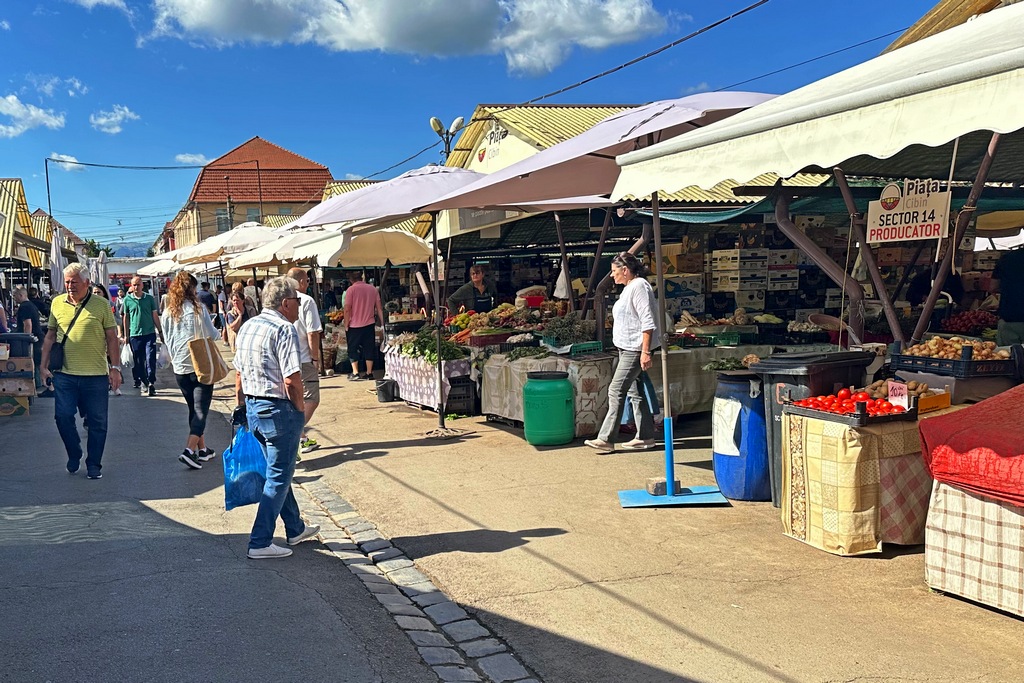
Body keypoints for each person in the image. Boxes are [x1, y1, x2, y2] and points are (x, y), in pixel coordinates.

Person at [232, 276, 320, 559]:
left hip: (254, 407)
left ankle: (295, 528)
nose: (299, 305)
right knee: (279, 476)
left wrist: (241, 405)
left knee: (276, 472)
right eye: (296, 300)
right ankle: (259, 541)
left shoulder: (248, 326)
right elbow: (292, 378)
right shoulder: (285, 329)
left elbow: (239, 375)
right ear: (285, 303)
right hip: (278, 408)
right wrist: (297, 409)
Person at [40, 262, 122, 479]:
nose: (69, 286)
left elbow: (112, 338)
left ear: (87, 283)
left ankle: (94, 464)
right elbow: (50, 336)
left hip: (95, 376)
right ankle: (74, 451)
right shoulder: (57, 303)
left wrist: (115, 368)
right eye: (67, 282)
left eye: (74, 282)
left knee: (98, 422)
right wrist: (43, 365)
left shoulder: (101, 305)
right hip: (65, 375)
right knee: (63, 417)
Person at [585, 252, 661, 453]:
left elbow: (647, 321)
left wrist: (645, 351)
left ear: (625, 270)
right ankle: (645, 436)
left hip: (634, 350)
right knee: (635, 393)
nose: (612, 276)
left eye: (614, 271)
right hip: (627, 348)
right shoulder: (631, 287)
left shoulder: (638, 287)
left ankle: (606, 438)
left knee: (616, 390)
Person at [161, 272, 220, 470]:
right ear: (192, 289)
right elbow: (212, 334)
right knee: (201, 411)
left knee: (193, 409)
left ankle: (202, 450)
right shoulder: (199, 309)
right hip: (199, 364)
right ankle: (188, 451)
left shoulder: (168, 312)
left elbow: (167, 339)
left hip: (179, 367)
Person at [287, 267, 324, 455]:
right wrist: (315, 357)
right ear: (302, 282)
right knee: (312, 398)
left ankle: (301, 438)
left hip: (287, 358)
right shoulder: (306, 300)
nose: (308, 284)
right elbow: (312, 332)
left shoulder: (282, 300)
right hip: (303, 357)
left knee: (296, 399)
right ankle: (294, 434)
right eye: (308, 281)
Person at [122, 275, 163, 396]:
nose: (136, 287)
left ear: (142, 285)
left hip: (149, 333)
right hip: (135, 335)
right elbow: (126, 318)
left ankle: (151, 382)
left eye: (138, 284)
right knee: (139, 362)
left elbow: (154, 315)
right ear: (131, 286)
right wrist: (126, 335)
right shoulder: (127, 300)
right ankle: (144, 381)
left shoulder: (149, 299)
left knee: (150, 358)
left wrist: (160, 331)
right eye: (134, 285)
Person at [343, 271, 383, 381]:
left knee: (353, 349)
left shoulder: (350, 290)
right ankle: (369, 372)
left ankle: (355, 373)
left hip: (354, 326)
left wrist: (346, 324)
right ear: (362, 278)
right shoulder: (373, 289)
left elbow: (347, 309)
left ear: (351, 280)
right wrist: (383, 323)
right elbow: (379, 308)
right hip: (369, 325)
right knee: (369, 348)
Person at [12, 287, 44, 393]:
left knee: (32, 361)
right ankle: (39, 384)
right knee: (36, 362)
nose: (14, 298)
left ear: (21, 295)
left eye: (15, 296)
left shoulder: (24, 307)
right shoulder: (31, 305)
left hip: (33, 338)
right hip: (38, 337)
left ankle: (37, 385)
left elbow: (27, 324)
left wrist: (27, 339)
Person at [992, 248, 1024, 345]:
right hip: (1010, 317)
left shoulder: (1007, 257)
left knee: (1008, 356)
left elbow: (993, 286)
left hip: (1010, 318)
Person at [225, 284, 251, 352]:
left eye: (237, 300)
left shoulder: (251, 310)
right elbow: (233, 328)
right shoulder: (230, 314)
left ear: (243, 301)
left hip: (249, 341)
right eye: (234, 301)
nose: (235, 302)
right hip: (237, 343)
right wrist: (240, 315)